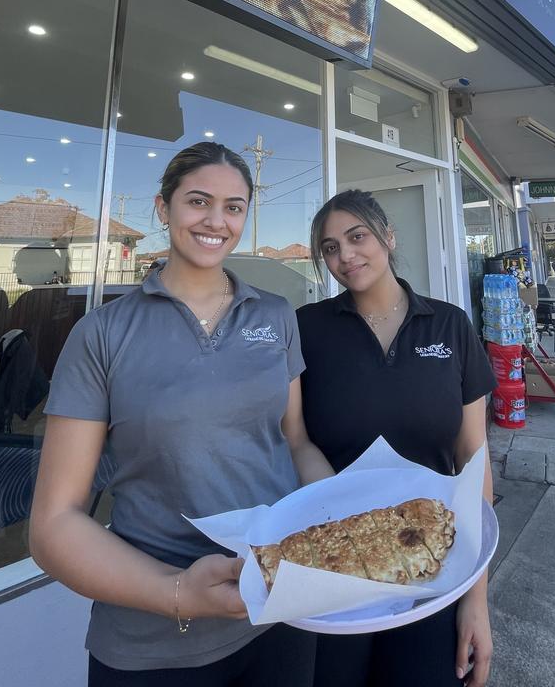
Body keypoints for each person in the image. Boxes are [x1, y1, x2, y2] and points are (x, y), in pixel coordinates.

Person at [30, 142, 333, 686]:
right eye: (198, 201)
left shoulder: (275, 315)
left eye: (234, 207)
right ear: (162, 208)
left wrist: (340, 514)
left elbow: (296, 443)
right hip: (155, 645)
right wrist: (178, 593)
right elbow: (54, 525)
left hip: (279, 613)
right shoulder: (102, 334)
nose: (217, 221)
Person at [298, 189, 497, 687]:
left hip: (434, 564)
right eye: (329, 247)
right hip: (337, 562)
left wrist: (475, 598)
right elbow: (295, 439)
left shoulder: (450, 324)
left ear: (388, 237)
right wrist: (347, 516)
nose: (345, 255)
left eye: (357, 236)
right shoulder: (307, 328)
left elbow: (473, 457)